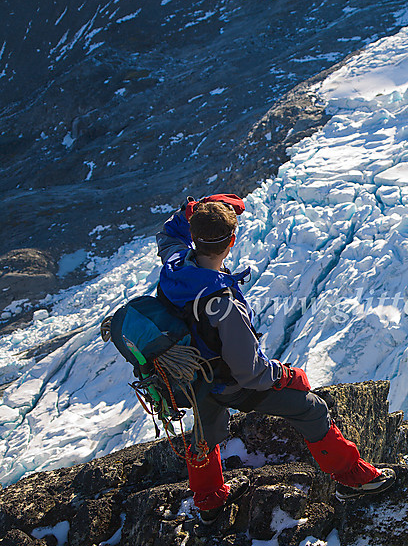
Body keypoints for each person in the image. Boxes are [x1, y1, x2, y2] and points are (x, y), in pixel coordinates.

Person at [155, 194, 395, 525]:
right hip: (228, 384)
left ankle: (209, 502)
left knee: (204, 436)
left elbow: (169, 235)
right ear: (233, 241)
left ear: (194, 238)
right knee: (312, 409)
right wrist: (285, 375)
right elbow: (251, 373)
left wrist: (193, 212)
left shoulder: (175, 267)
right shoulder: (223, 305)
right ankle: (353, 478)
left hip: (192, 379)